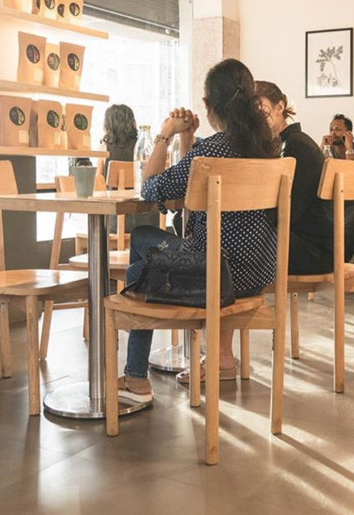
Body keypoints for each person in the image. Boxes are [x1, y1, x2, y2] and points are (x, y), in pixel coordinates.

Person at [118, 59, 281, 405]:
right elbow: (192, 183)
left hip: (215, 276)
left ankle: (135, 377)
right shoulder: (268, 148)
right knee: (148, 261)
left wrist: (166, 133)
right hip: (256, 274)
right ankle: (208, 360)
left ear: (207, 106)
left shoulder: (212, 151)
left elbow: (150, 188)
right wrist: (190, 138)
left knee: (141, 245)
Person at [256, 82, 354, 275]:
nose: (256, 118)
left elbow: (291, 211)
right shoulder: (290, 143)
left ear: (279, 107)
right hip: (309, 242)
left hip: (316, 252)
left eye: (262, 110)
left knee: (241, 237)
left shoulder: (296, 145)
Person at [96, 104, 158, 234]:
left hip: (116, 221)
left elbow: (98, 184)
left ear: (107, 125)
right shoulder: (145, 147)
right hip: (147, 217)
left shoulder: (104, 149)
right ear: (133, 123)